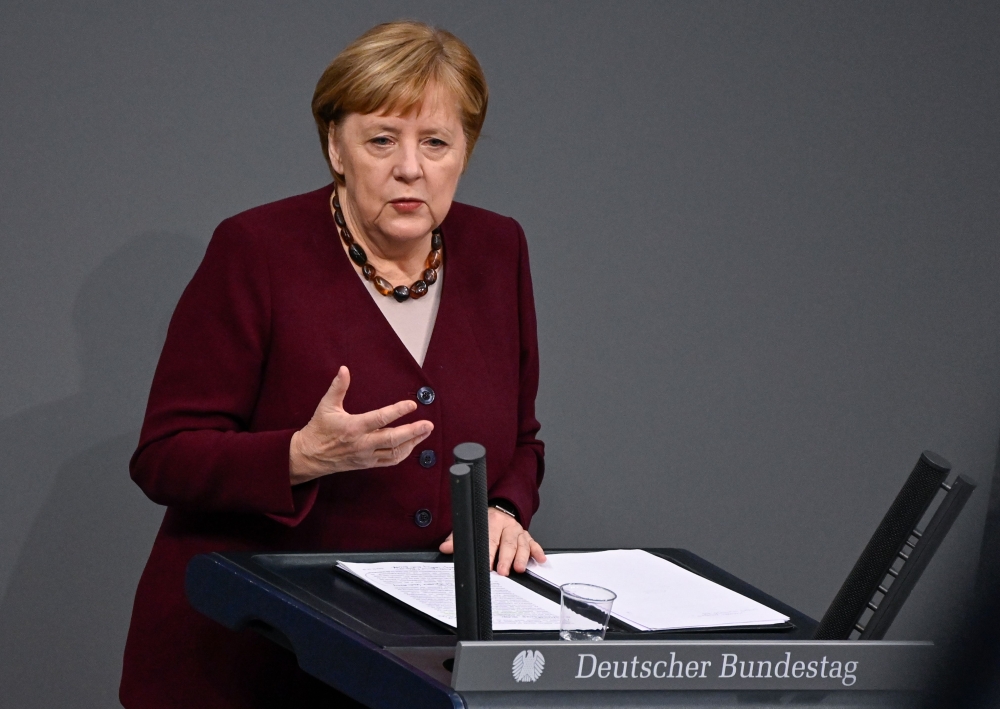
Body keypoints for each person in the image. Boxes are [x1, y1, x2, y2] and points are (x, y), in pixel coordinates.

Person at [120, 21, 546, 709]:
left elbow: (522, 441)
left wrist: (502, 507)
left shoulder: (500, 250)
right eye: (382, 139)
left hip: (409, 669)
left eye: (435, 142)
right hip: (250, 664)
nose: (411, 167)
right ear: (334, 146)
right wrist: (298, 455)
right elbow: (162, 456)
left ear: (464, 150)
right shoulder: (255, 250)